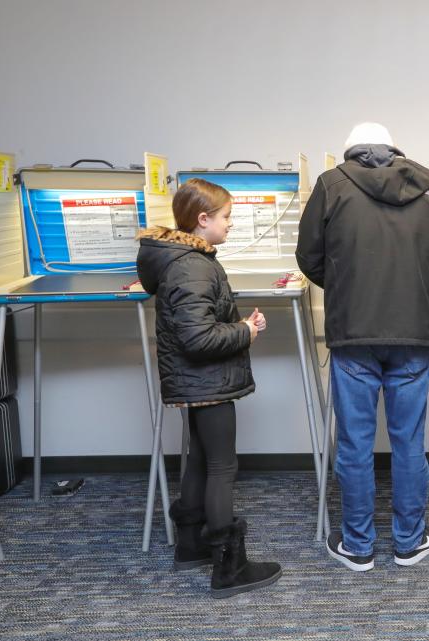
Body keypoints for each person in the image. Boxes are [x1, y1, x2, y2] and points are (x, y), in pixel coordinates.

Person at [296, 122, 429, 571]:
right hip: (412, 333)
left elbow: (308, 257)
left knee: (354, 444)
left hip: (353, 334)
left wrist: (348, 286)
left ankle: (358, 546)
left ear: (350, 152)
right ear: (394, 149)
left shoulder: (331, 185)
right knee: (409, 442)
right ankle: (409, 542)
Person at [137, 178, 281, 599]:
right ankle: (229, 569)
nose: (230, 224)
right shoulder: (193, 266)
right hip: (207, 381)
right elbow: (198, 339)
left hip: (194, 382)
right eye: (226, 217)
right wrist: (245, 330)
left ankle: (190, 545)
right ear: (203, 220)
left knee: (199, 458)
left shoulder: (180, 259)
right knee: (222, 467)